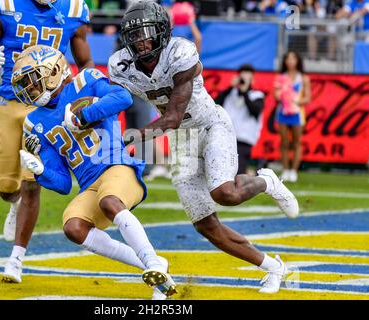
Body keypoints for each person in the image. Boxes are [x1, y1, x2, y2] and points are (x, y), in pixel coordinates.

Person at [108, 0, 299, 294]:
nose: (140, 42)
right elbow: (112, 100)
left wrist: (123, 140)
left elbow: (171, 117)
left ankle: (266, 181)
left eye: (146, 34)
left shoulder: (180, 52)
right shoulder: (121, 65)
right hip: (182, 140)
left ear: (162, 32)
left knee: (225, 193)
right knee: (205, 225)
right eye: (134, 36)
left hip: (210, 126)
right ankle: (273, 267)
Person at [12, 45, 176, 299]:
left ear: (54, 71)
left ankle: (152, 263)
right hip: (89, 184)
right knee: (73, 226)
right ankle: (155, 265)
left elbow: (123, 98)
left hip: (118, 167)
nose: (31, 91)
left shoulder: (84, 81)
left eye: (33, 82)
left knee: (110, 200)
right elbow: (64, 184)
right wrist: (41, 170)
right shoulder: (34, 123)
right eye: (26, 86)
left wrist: (84, 116)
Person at [0, 0, 94, 283]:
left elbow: (85, 62)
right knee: (6, 187)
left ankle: (16, 259)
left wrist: (82, 91)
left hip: (46, 107)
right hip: (10, 100)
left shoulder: (74, 9)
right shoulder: (4, 5)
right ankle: (13, 203)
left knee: (32, 183)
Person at [215, 64, 265, 175]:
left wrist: (245, 92)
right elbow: (215, 105)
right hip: (226, 136)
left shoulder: (257, 95)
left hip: (243, 139)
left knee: (237, 173)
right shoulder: (230, 93)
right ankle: (251, 172)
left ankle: (252, 172)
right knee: (221, 170)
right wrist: (229, 88)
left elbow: (255, 111)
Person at [274, 51, 311, 183]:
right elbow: (275, 95)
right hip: (283, 112)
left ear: (297, 61)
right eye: (287, 59)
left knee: (296, 142)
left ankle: (294, 171)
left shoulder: (303, 78)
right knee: (284, 142)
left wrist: (295, 101)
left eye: (293, 59)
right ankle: (285, 169)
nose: (290, 61)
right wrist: (281, 96)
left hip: (297, 113)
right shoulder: (281, 77)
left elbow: (307, 98)